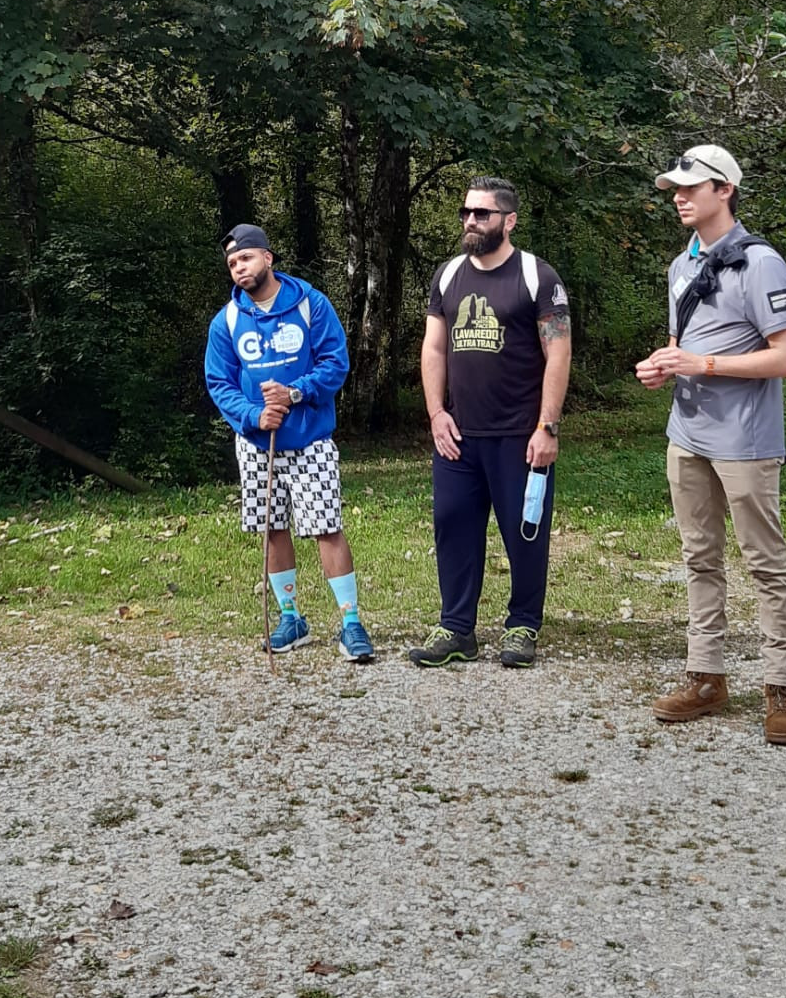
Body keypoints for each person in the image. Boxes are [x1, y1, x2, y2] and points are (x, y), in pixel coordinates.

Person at [634, 145, 786, 746]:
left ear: (725, 190)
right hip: (687, 435)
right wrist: (666, 367)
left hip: (745, 439)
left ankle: (782, 690)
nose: (679, 197)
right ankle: (706, 677)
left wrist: (702, 362)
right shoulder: (681, 265)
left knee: (766, 564)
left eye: (691, 187)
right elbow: (686, 345)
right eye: (675, 189)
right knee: (699, 558)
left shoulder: (760, 263)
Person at [408, 176, 571, 669]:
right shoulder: (449, 273)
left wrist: (548, 427)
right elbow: (434, 348)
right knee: (452, 527)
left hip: (520, 438)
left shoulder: (536, 276)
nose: (471, 221)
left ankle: (523, 625)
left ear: (509, 220)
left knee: (526, 532)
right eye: (466, 213)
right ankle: (456, 628)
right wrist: (436, 414)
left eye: (482, 213)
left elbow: (558, 352)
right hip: (458, 436)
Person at [203, 224, 373, 662]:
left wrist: (295, 393)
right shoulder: (227, 321)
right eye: (232, 263)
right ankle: (291, 618)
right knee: (271, 527)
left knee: (325, 526)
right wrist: (253, 415)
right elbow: (219, 383)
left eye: (245, 258)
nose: (239, 268)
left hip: (311, 439)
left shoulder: (311, 305)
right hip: (257, 445)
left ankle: (350, 623)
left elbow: (337, 363)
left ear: (268, 258)